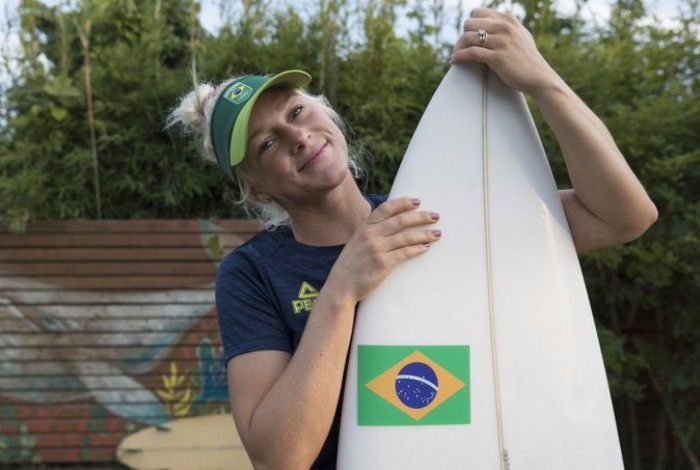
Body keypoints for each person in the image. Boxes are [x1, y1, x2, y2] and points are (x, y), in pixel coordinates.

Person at [167, 8, 657, 469]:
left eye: (296, 112)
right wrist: (341, 289)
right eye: (267, 143)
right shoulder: (252, 274)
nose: (296, 136)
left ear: (326, 115)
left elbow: (623, 218)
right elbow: (281, 457)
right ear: (257, 189)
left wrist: (544, 83)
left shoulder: (433, 217)